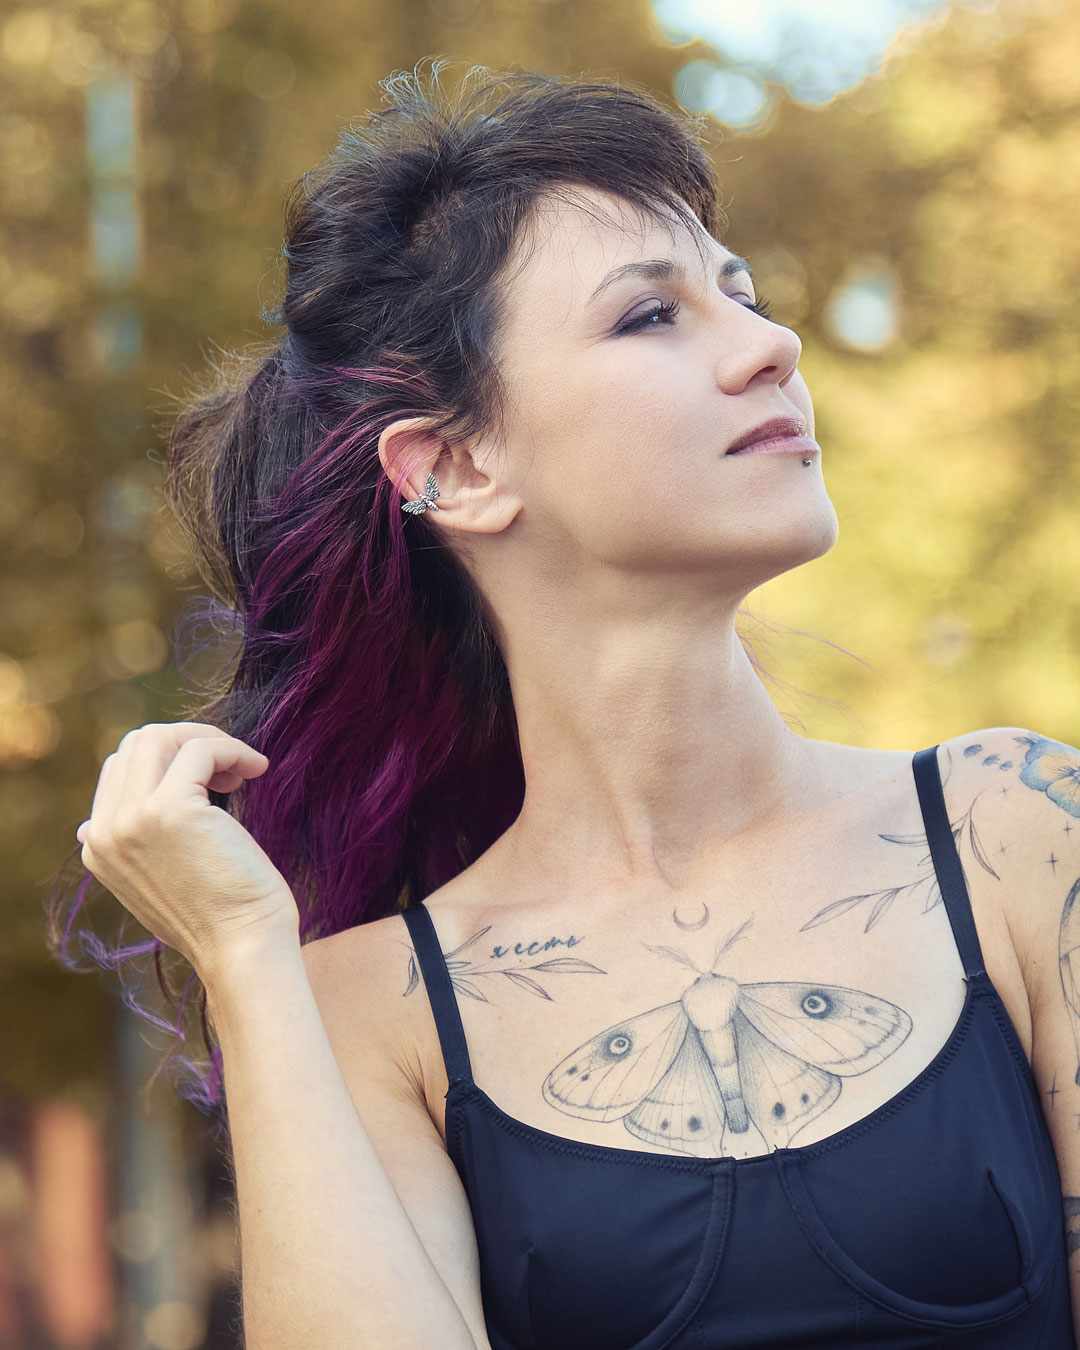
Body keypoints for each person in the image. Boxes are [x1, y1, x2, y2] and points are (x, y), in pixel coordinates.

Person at [64, 61, 1080, 1348]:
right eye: (650, 317)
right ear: (459, 467)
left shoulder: (1017, 830)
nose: (773, 344)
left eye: (743, 292)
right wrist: (247, 965)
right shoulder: (369, 1011)